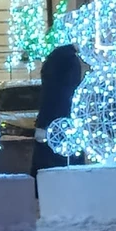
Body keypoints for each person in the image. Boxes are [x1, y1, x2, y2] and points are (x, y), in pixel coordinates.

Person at [32, 42, 85, 175]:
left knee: (47, 165)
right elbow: (69, 89)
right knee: (68, 164)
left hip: (48, 121)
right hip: (64, 120)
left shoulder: (56, 58)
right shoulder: (70, 60)